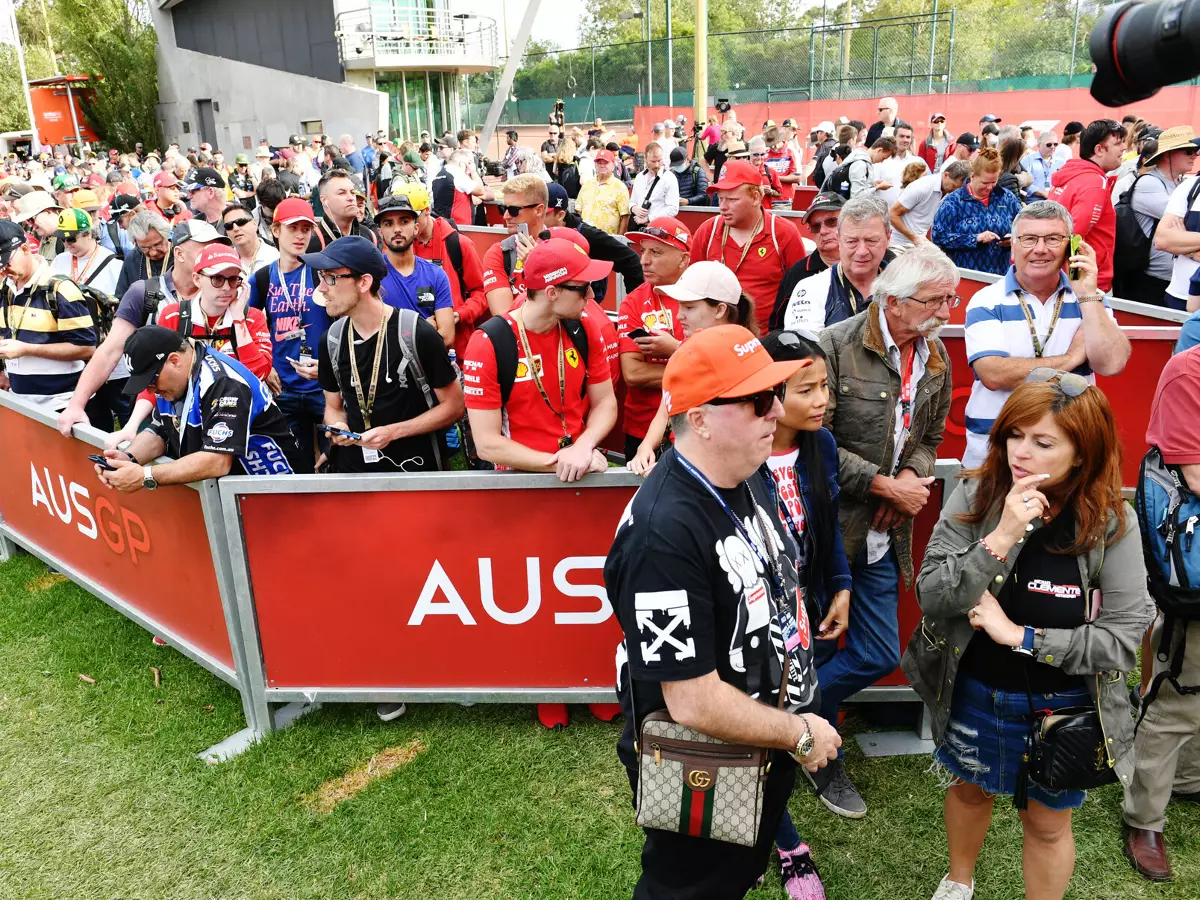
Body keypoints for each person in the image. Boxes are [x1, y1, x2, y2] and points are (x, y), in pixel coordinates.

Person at [606, 323, 839, 900]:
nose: (776, 412)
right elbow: (691, 699)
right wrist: (799, 734)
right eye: (759, 400)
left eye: (776, 395)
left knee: (736, 875)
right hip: (704, 758)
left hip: (760, 740)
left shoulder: (745, 471)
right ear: (701, 416)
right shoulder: (663, 533)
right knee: (690, 888)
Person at [904, 372, 1149, 900]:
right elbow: (933, 596)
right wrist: (1001, 536)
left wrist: (1020, 635)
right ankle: (959, 881)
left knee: (1047, 824)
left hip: (1063, 708)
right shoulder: (977, 494)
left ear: (1082, 452)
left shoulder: (1112, 522)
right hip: (973, 690)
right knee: (969, 792)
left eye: (1043, 442)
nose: (1022, 452)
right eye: (1015, 434)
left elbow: (1124, 641)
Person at [815, 242, 956, 818]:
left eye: (949, 298)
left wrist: (910, 478)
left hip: (881, 532)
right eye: (935, 300)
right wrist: (881, 485)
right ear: (893, 302)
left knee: (875, 652)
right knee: (813, 643)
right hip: (826, 534)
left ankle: (790, 717)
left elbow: (931, 435)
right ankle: (815, 749)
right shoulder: (834, 344)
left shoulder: (936, 354)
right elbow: (812, 443)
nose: (946, 310)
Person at [962, 201, 1131, 469]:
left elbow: (1112, 364)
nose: (1040, 249)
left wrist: (1088, 293)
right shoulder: (986, 300)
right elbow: (994, 374)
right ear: (1013, 247)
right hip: (995, 450)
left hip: (1068, 454)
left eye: (1053, 239)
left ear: (1071, 247)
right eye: (1029, 239)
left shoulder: (1090, 301)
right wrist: (1071, 358)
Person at [1123, 347, 1200, 882]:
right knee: (1179, 694)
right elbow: (1195, 476)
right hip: (1194, 571)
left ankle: (1189, 780)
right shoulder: (1189, 372)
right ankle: (1144, 816)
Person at [302, 234, 463, 480]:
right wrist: (338, 427)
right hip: (353, 474)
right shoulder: (331, 339)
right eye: (321, 278)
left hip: (415, 473)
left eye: (331, 278)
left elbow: (454, 406)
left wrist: (393, 432)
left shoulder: (416, 333)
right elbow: (333, 408)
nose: (321, 289)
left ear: (364, 282)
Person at [58, 219, 229, 441]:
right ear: (179, 253)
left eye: (218, 247)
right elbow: (110, 350)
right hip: (158, 411)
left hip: (217, 406)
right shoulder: (145, 293)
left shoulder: (226, 291)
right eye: (205, 248)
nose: (214, 254)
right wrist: (76, 405)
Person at [464, 238, 616, 481]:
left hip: (578, 472)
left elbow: (606, 401)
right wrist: (560, 464)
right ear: (552, 292)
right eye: (582, 287)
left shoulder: (584, 327)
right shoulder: (489, 342)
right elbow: (487, 444)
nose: (591, 294)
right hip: (518, 481)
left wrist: (583, 446)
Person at [95, 324, 305, 491]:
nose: (151, 391)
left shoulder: (222, 382)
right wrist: (129, 458)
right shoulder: (172, 381)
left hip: (275, 490)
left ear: (174, 361)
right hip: (236, 494)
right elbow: (161, 431)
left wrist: (145, 476)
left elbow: (216, 461)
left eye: (151, 382)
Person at [627, 262, 762, 477]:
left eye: (689, 307)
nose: (680, 315)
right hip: (685, 458)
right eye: (680, 306)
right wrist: (645, 448)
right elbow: (665, 412)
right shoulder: (684, 351)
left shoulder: (746, 354)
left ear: (720, 310)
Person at [246, 198, 329, 473]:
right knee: (298, 464)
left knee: (338, 457)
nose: (301, 235)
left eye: (306, 228)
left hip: (325, 386)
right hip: (283, 388)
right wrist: (263, 365)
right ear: (276, 230)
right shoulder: (262, 279)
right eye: (293, 228)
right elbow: (244, 323)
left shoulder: (322, 273)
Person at [691, 160, 806, 335]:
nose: (723, 207)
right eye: (720, 198)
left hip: (766, 341)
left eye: (732, 199)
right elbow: (693, 289)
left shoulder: (783, 233)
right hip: (715, 339)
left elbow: (802, 292)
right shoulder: (707, 231)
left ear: (755, 197)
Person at [0, 221, 95, 410]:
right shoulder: (6, 288)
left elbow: (86, 348)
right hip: (21, 402)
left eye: (6, 262)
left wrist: (27, 349)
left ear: (25, 248)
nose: (3, 269)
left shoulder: (60, 288)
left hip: (63, 404)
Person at [618, 217, 690, 459]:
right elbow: (633, 374)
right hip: (642, 427)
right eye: (643, 251)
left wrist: (675, 350)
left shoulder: (706, 296)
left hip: (694, 427)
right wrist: (694, 369)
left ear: (684, 258)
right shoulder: (633, 302)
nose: (644, 260)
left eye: (656, 252)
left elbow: (723, 367)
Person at [51, 208, 126, 428]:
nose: (66, 244)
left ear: (89, 234)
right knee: (93, 414)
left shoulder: (114, 265)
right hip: (78, 353)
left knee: (123, 407)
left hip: (111, 356)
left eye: (71, 238)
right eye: (62, 238)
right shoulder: (59, 261)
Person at [781, 196, 890, 332]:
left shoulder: (906, 285)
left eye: (872, 240)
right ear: (839, 239)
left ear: (888, 238)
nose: (862, 251)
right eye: (851, 241)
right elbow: (805, 350)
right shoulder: (810, 288)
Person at [1119, 126, 1200, 303]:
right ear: (1168, 155)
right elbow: (1187, 224)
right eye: (1189, 151)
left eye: (1196, 151)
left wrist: (1182, 240)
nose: (1195, 155)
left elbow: (1185, 229)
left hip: (1167, 278)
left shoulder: (1182, 184)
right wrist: (1191, 251)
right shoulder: (1150, 183)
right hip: (1150, 280)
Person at [1048, 120, 1124, 294]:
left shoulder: (1073, 175)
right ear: (1099, 150)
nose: (1123, 148)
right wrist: (1078, 281)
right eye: (1118, 144)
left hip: (1069, 277)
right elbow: (1074, 237)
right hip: (1087, 281)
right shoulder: (1094, 182)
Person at [373, 192, 455, 349]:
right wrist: (423, 327)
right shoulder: (371, 277)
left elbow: (447, 336)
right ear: (380, 232)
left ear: (416, 228)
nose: (397, 229)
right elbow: (370, 337)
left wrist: (395, 334)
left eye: (404, 222)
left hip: (426, 370)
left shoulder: (436, 275)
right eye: (388, 224)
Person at [932, 148, 1022, 275]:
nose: (990, 187)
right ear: (973, 176)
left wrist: (1013, 238)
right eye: (985, 182)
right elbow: (938, 237)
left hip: (1001, 274)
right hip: (967, 275)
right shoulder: (953, 202)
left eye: (994, 182)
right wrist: (975, 239)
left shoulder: (1006, 197)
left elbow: (1023, 226)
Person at [890, 160, 970, 251]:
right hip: (900, 245)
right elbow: (892, 214)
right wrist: (914, 238)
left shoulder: (948, 191)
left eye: (958, 188)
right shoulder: (922, 187)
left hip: (919, 245)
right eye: (953, 185)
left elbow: (928, 220)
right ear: (946, 175)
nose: (955, 190)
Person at [779, 193, 845, 287]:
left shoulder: (867, 266)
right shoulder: (797, 274)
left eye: (831, 222)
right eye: (816, 226)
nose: (823, 231)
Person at [308, 169, 379, 251]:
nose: (351, 198)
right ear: (324, 200)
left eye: (352, 193)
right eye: (342, 193)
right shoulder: (312, 241)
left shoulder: (369, 236)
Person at [114, 210, 172, 299]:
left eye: (157, 244)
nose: (153, 253)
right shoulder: (132, 259)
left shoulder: (181, 254)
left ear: (166, 235)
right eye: (144, 248)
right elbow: (122, 298)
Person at [576, 149, 631, 234]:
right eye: (599, 163)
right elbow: (578, 210)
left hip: (608, 240)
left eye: (605, 163)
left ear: (613, 165)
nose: (602, 166)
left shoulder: (620, 187)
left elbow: (625, 216)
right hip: (585, 237)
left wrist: (620, 239)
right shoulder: (587, 185)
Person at [431, 149, 486, 226]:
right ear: (461, 164)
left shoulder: (439, 174)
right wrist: (473, 171)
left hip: (444, 224)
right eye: (468, 164)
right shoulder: (457, 174)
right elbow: (480, 190)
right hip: (458, 226)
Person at [876, 121, 924, 207]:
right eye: (901, 136)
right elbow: (873, 185)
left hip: (907, 214)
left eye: (908, 137)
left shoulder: (917, 162)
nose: (905, 140)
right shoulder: (882, 160)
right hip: (884, 213)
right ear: (894, 138)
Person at [222, 202, 278, 274]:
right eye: (229, 226)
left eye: (241, 222)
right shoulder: (224, 262)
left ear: (254, 224)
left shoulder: (275, 257)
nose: (235, 228)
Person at [762, 127, 801, 209]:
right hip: (766, 200)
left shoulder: (790, 153)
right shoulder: (764, 155)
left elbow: (797, 178)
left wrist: (775, 178)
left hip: (783, 200)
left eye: (775, 143)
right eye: (770, 144)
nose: (773, 146)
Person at [1022, 132, 1064, 202]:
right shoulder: (1027, 160)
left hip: (1056, 202)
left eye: (1055, 144)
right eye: (1049, 144)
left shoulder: (1061, 162)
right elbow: (1024, 184)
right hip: (1033, 203)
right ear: (1039, 145)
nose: (1053, 147)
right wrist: (1043, 193)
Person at [252, 179, 286, 249]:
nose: (277, 213)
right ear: (261, 203)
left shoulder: (292, 214)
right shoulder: (252, 221)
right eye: (273, 210)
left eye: (280, 207)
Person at [809, 121, 837, 189]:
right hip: (835, 182)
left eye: (817, 132)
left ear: (823, 133)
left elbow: (812, 164)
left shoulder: (823, 146)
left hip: (825, 184)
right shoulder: (837, 144)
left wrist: (801, 177)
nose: (816, 134)